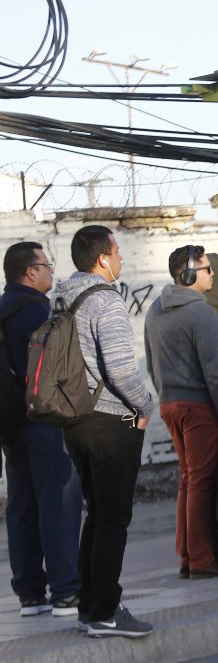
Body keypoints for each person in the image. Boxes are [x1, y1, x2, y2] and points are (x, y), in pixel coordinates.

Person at [53, 225, 154, 638]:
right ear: (102, 258)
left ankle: (89, 607)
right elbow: (120, 370)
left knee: (96, 515)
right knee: (113, 517)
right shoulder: (106, 301)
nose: (122, 258)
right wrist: (146, 406)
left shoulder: (60, 297)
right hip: (110, 422)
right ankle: (106, 613)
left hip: (74, 420)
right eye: (117, 251)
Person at [145, 245, 218, 580]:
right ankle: (200, 559)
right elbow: (215, 371)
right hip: (199, 406)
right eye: (207, 270)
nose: (213, 275)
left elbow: (151, 361)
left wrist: (165, 395)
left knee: (187, 481)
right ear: (188, 275)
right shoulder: (201, 313)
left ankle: (187, 556)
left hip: (170, 403)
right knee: (200, 483)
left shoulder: (155, 309)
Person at [0, 242, 81, 618]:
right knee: (58, 501)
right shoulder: (38, 312)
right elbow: (56, 370)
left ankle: (30, 593)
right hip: (43, 421)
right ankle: (66, 591)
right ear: (30, 272)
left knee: (21, 504)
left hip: (9, 422)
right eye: (46, 265)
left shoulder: (1, 310)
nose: (52, 271)